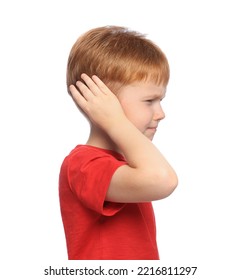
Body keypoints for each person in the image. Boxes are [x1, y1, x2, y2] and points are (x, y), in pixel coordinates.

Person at [59, 26, 178, 260]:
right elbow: (163, 180)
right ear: (104, 102)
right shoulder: (83, 165)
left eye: (160, 100)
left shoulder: (127, 164)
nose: (161, 113)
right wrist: (114, 121)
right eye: (149, 100)